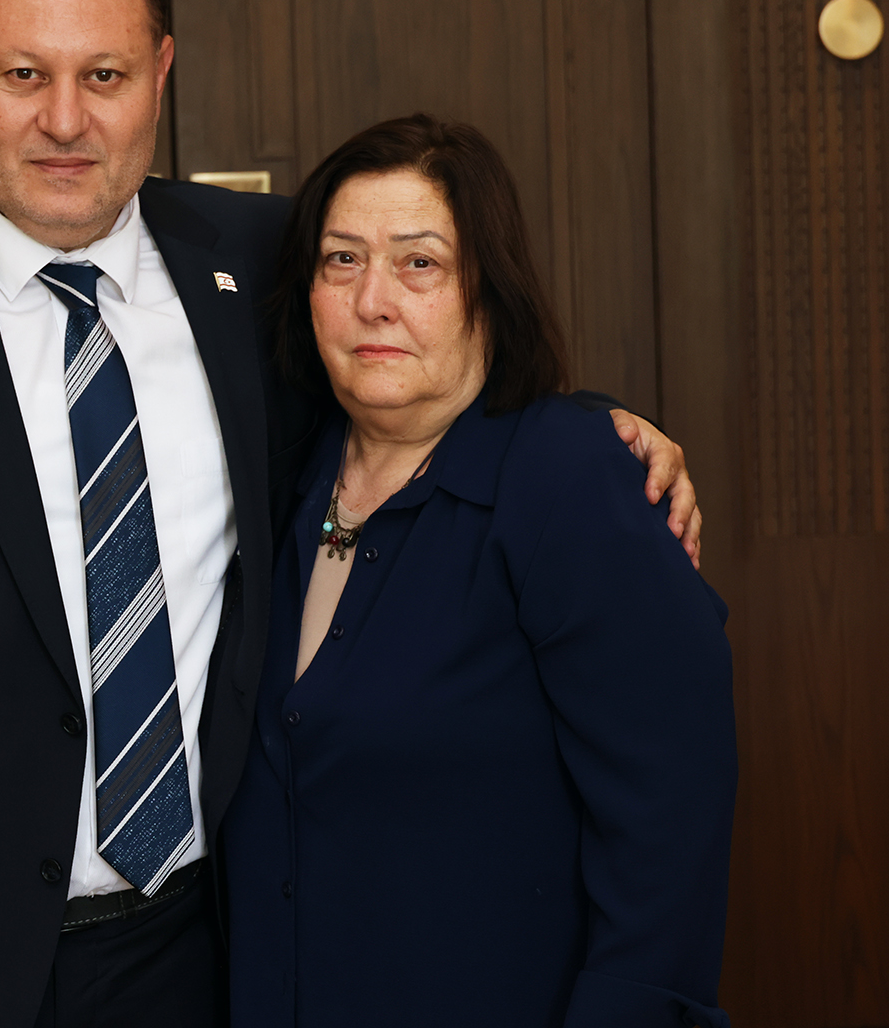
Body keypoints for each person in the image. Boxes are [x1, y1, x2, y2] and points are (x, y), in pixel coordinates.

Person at [0, 0, 701, 1028]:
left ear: (160, 76)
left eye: (104, 74)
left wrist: (600, 434)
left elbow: (421, 359)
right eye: (24, 73)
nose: (64, 119)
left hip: (205, 954)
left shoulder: (266, 262)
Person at [221, 114, 737, 1028]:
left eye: (419, 263)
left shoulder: (574, 483)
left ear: (488, 293)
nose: (373, 299)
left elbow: (670, 826)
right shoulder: (282, 475)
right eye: (342, 261)